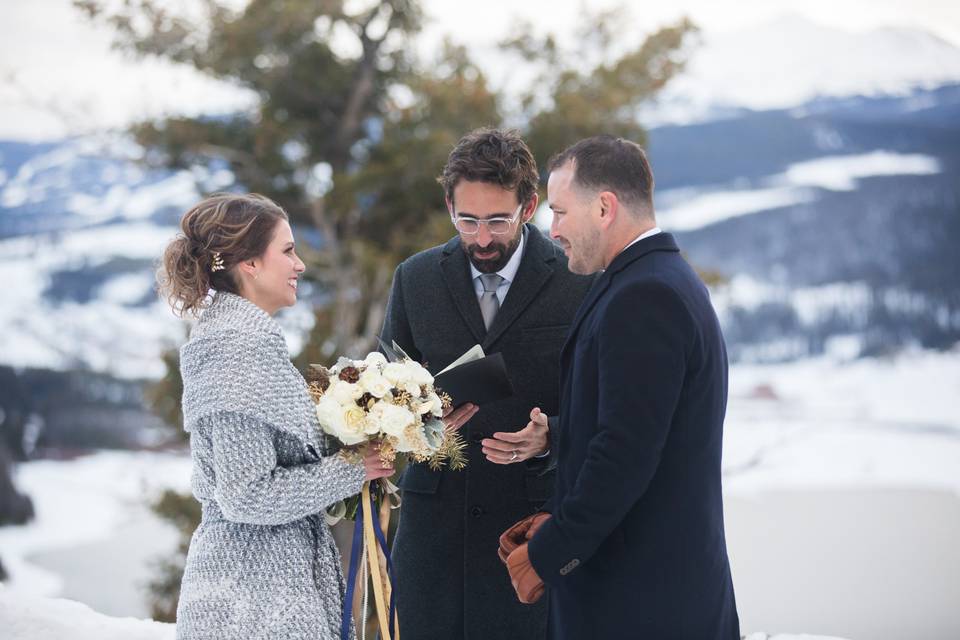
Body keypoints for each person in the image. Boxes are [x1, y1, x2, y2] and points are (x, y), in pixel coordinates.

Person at [502, 136, 740, 638]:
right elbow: (646, 423)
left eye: (561, 212)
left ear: (605, 207)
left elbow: (625, 454)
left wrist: (546, 554)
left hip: (643, 602)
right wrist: (558, 434)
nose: (554, 229)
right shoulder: (646, 279)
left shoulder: (645, 296)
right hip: (645, 592)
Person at [379, 128, 593, 639]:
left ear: (530, 206)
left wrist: (552, 435)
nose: (480, 238)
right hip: (433, 536)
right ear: (448, 204)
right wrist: (419, 422)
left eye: (497, 220)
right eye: (467, 219)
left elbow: (604, 400)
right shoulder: (415, 277)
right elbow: (383, 391)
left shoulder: (578, 279)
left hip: (530, 527)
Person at [158, 193, 395, 640]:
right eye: (287, 251)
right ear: (248, 263)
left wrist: (389, 426)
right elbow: (246, 495)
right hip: (252, 596)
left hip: (270, 586)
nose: (300, 265)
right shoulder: (233, 349)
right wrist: (351, 470)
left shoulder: (250, 342)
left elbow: (287, 460)